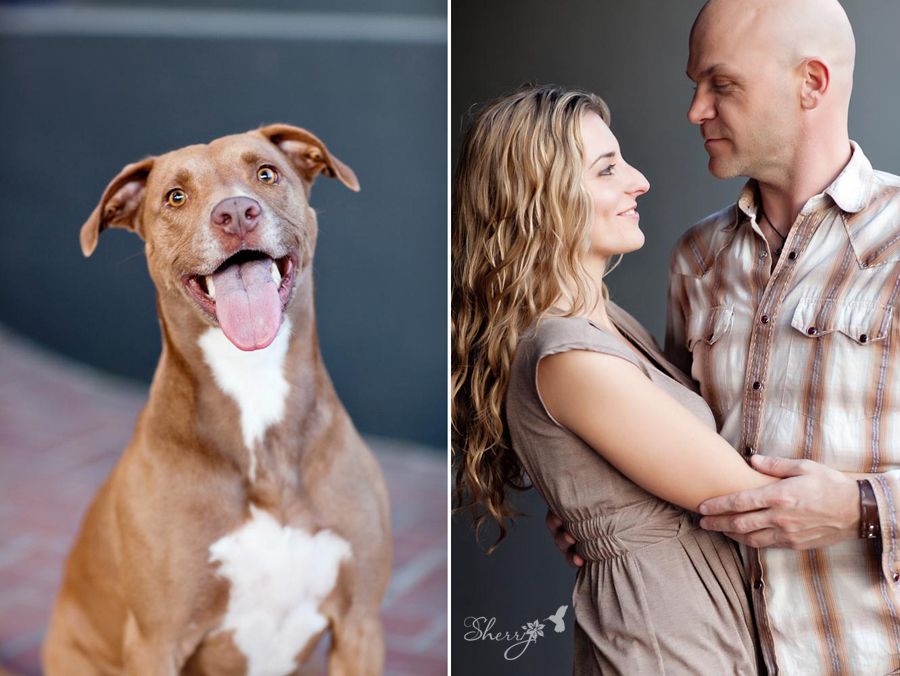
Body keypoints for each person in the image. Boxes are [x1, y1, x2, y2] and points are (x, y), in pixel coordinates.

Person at [547, 1, 900, 673]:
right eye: (693, 85)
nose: (696, 110)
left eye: (722, 84)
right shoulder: (696, 259)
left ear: (812, 84)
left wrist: (859, 509)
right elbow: (675, 441)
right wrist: (608, 506)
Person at [452, 83, 780, 674]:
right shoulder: (568, 354)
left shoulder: (606, 324)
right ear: (539, 196)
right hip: (665, 640)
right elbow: (750, 501)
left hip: (695, 621)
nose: (639, 181)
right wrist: (869, 502)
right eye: (607, 169)